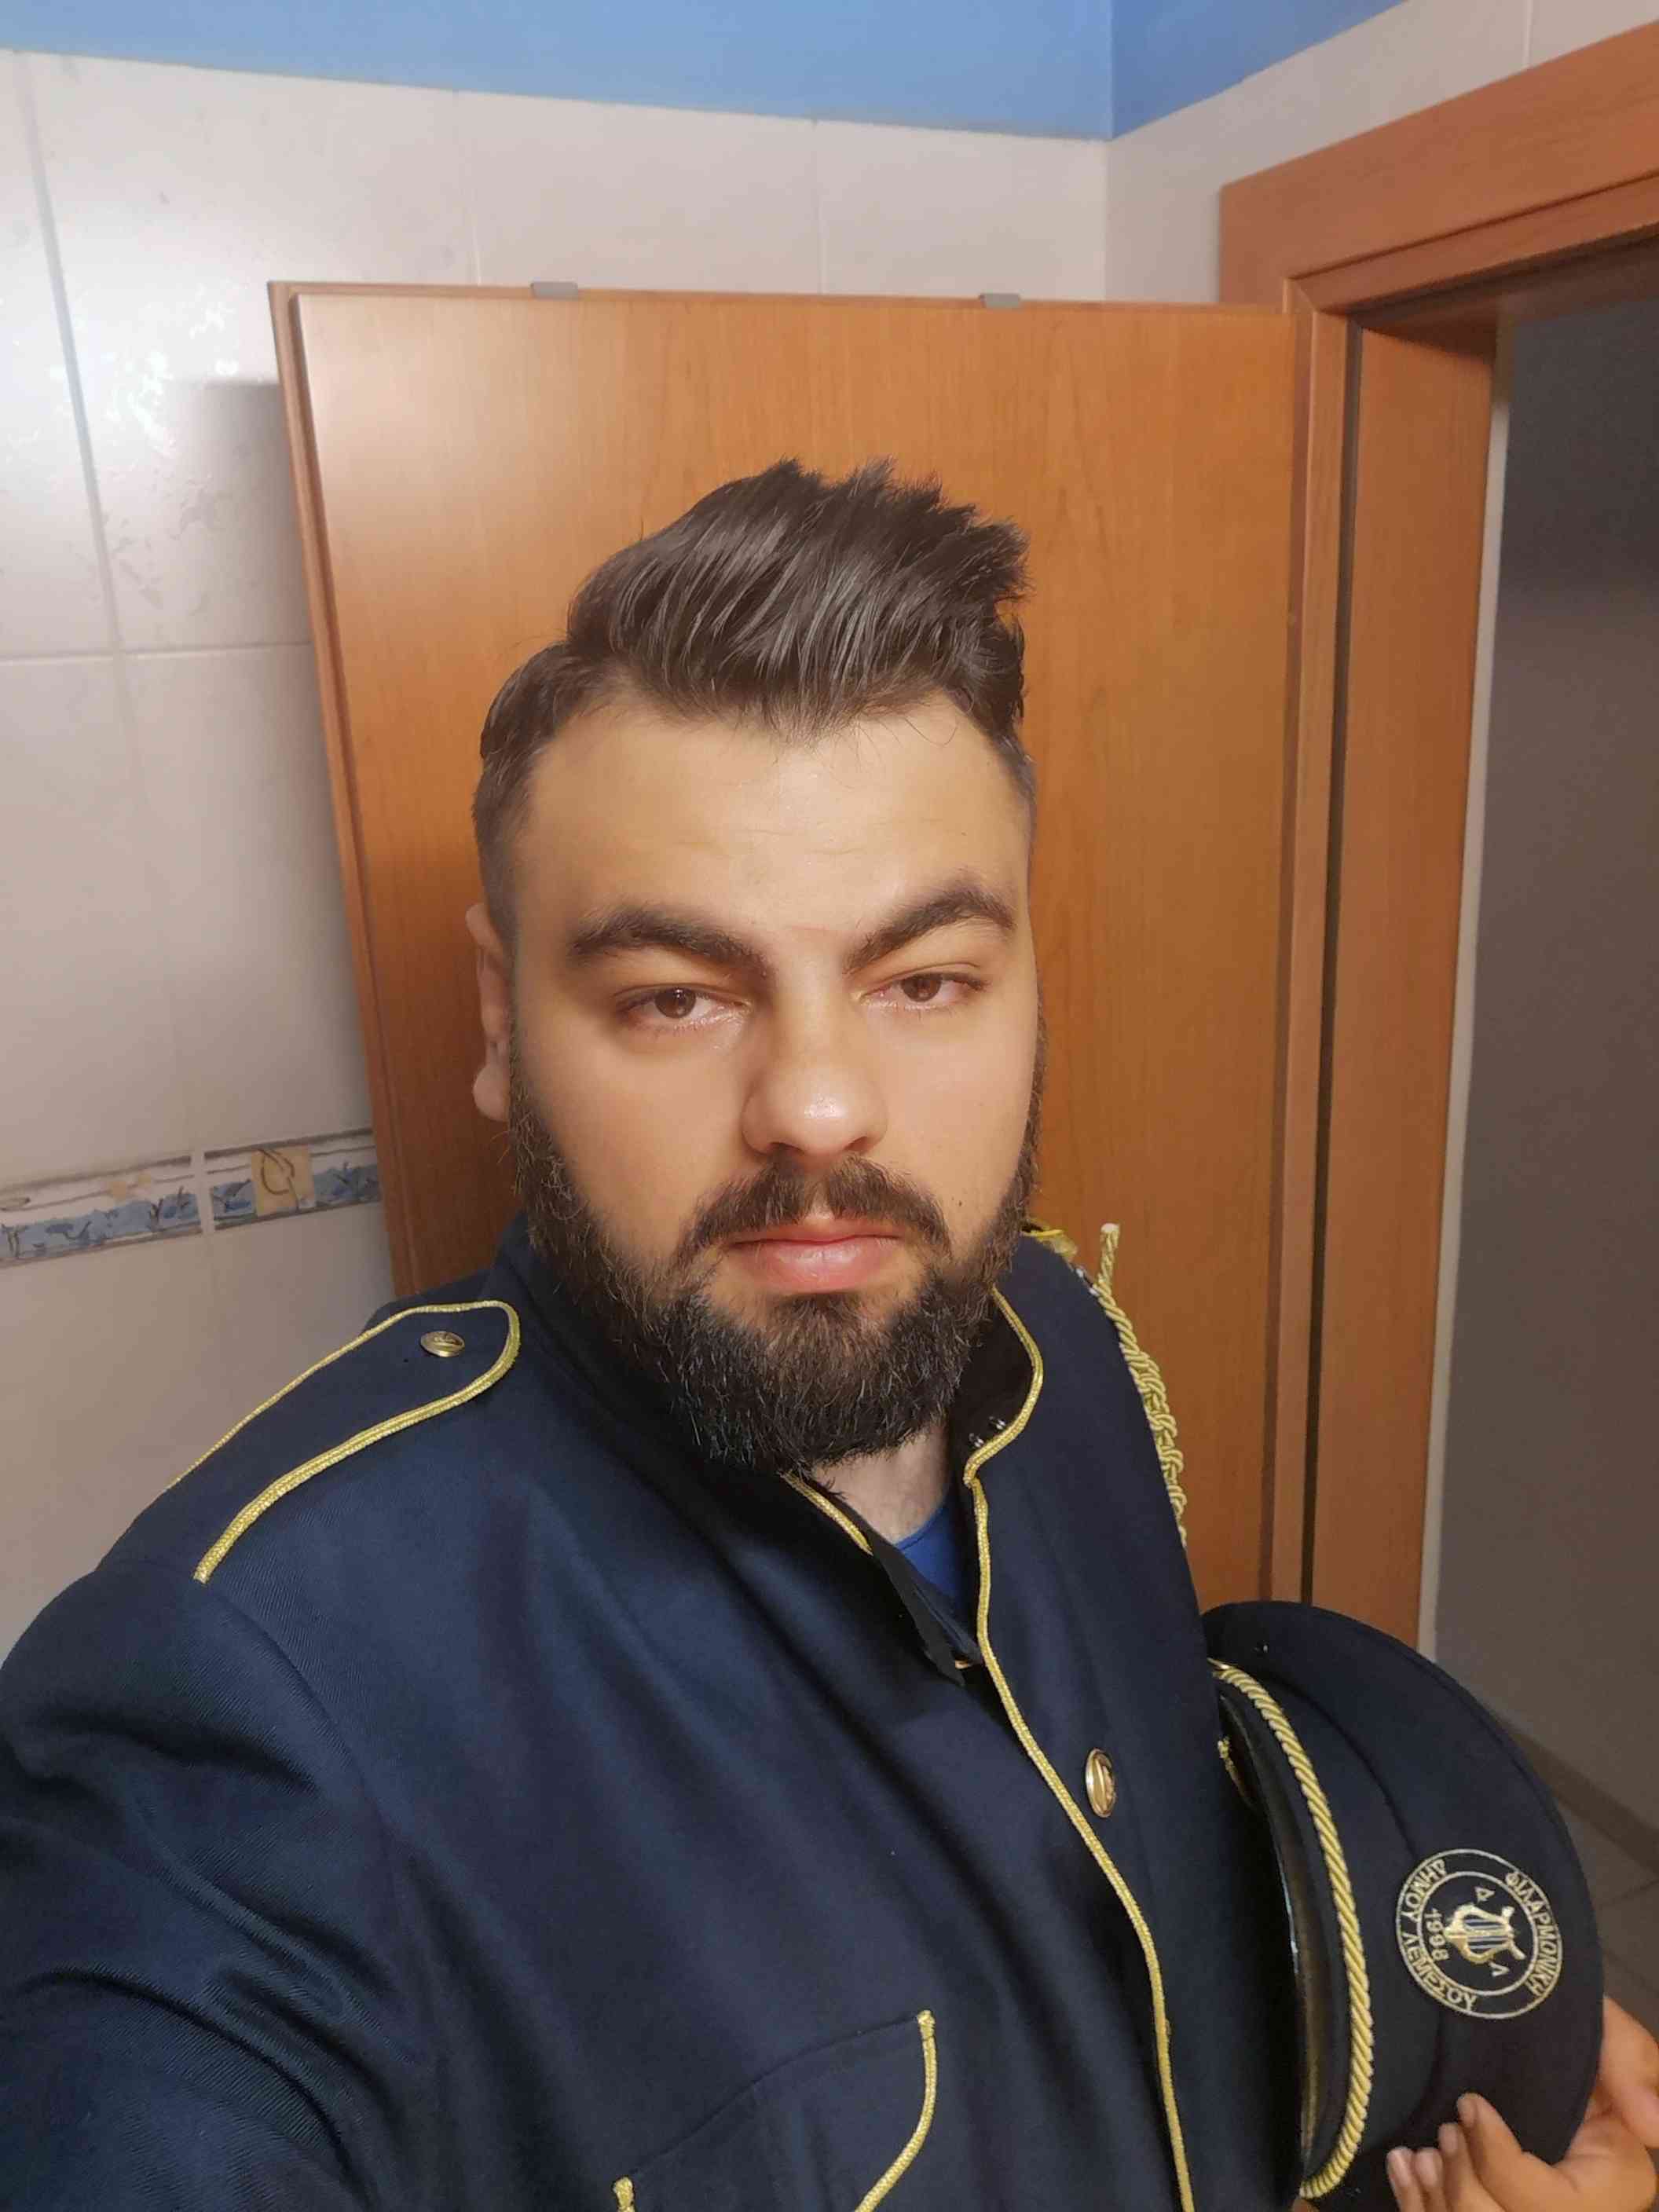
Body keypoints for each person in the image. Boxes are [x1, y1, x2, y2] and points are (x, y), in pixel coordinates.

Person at [2, 460, 1654, 2211]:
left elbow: (1138, 1918)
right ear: (502, 1019)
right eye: (675, 997)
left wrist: (1469, 2044)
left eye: (923, 979)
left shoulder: (1061, 1354)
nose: (815, 1105)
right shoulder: (244, 1705)